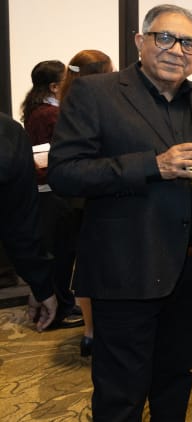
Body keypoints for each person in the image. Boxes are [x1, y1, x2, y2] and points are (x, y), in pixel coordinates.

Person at [48, 4, 192, 421]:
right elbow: (65, 174)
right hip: (126, 269)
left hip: (189, 272)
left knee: (175, 382)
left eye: (189, 43)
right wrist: (152, 165)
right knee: (120, 394)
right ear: (140, 41)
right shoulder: (96, 93)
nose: (177, 50)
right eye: (165, 38)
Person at [58, 48, 115, 357]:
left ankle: (90, 332)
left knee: (85, 268)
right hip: (97, 196)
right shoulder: (99, 104)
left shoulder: (66, 100)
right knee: (98, 269)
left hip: (76, 201)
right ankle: (96, 331)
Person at [19, 59, 82, 329]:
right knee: (61, 253)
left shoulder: (35, 110)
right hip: (53, 191)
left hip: (44, 191)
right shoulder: (50, 114)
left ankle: (60, 302)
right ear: (55, 86)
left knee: (57, 251)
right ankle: (61, 309)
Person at [0, 112, 58, 332]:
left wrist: (40, 283)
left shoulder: (8, 133)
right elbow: (20, 222)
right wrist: (40, 284)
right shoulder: (7, 132)